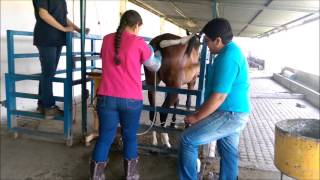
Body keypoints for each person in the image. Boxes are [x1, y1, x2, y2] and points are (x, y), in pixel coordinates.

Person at [90, 10, 161, 180]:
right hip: (131, 100)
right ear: (136, 25)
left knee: (105, 137)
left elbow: (108, 57)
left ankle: (96, 176)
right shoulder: (139, 42)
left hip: (106, 98)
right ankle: (131, 175)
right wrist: (157, 54)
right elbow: (155, 66)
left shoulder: (107, 39)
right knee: (129, 137)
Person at [178, 18, 250, 180]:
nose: (207, 46)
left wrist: (196, 117)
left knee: (188, 140)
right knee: (228, 151)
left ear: (218, 40)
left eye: (208, 41)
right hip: (233, 112)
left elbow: (219, 96)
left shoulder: (228, 57)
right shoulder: (229, 52)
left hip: (229, 113)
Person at [32, 0, 89, 119]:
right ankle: (49, 107)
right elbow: (43, 14)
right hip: (46, 36)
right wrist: (63, 29)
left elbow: (63, 18)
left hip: (58, 38)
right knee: (48, 73)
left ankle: (42, 104)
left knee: (49, 73)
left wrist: (79, 29)